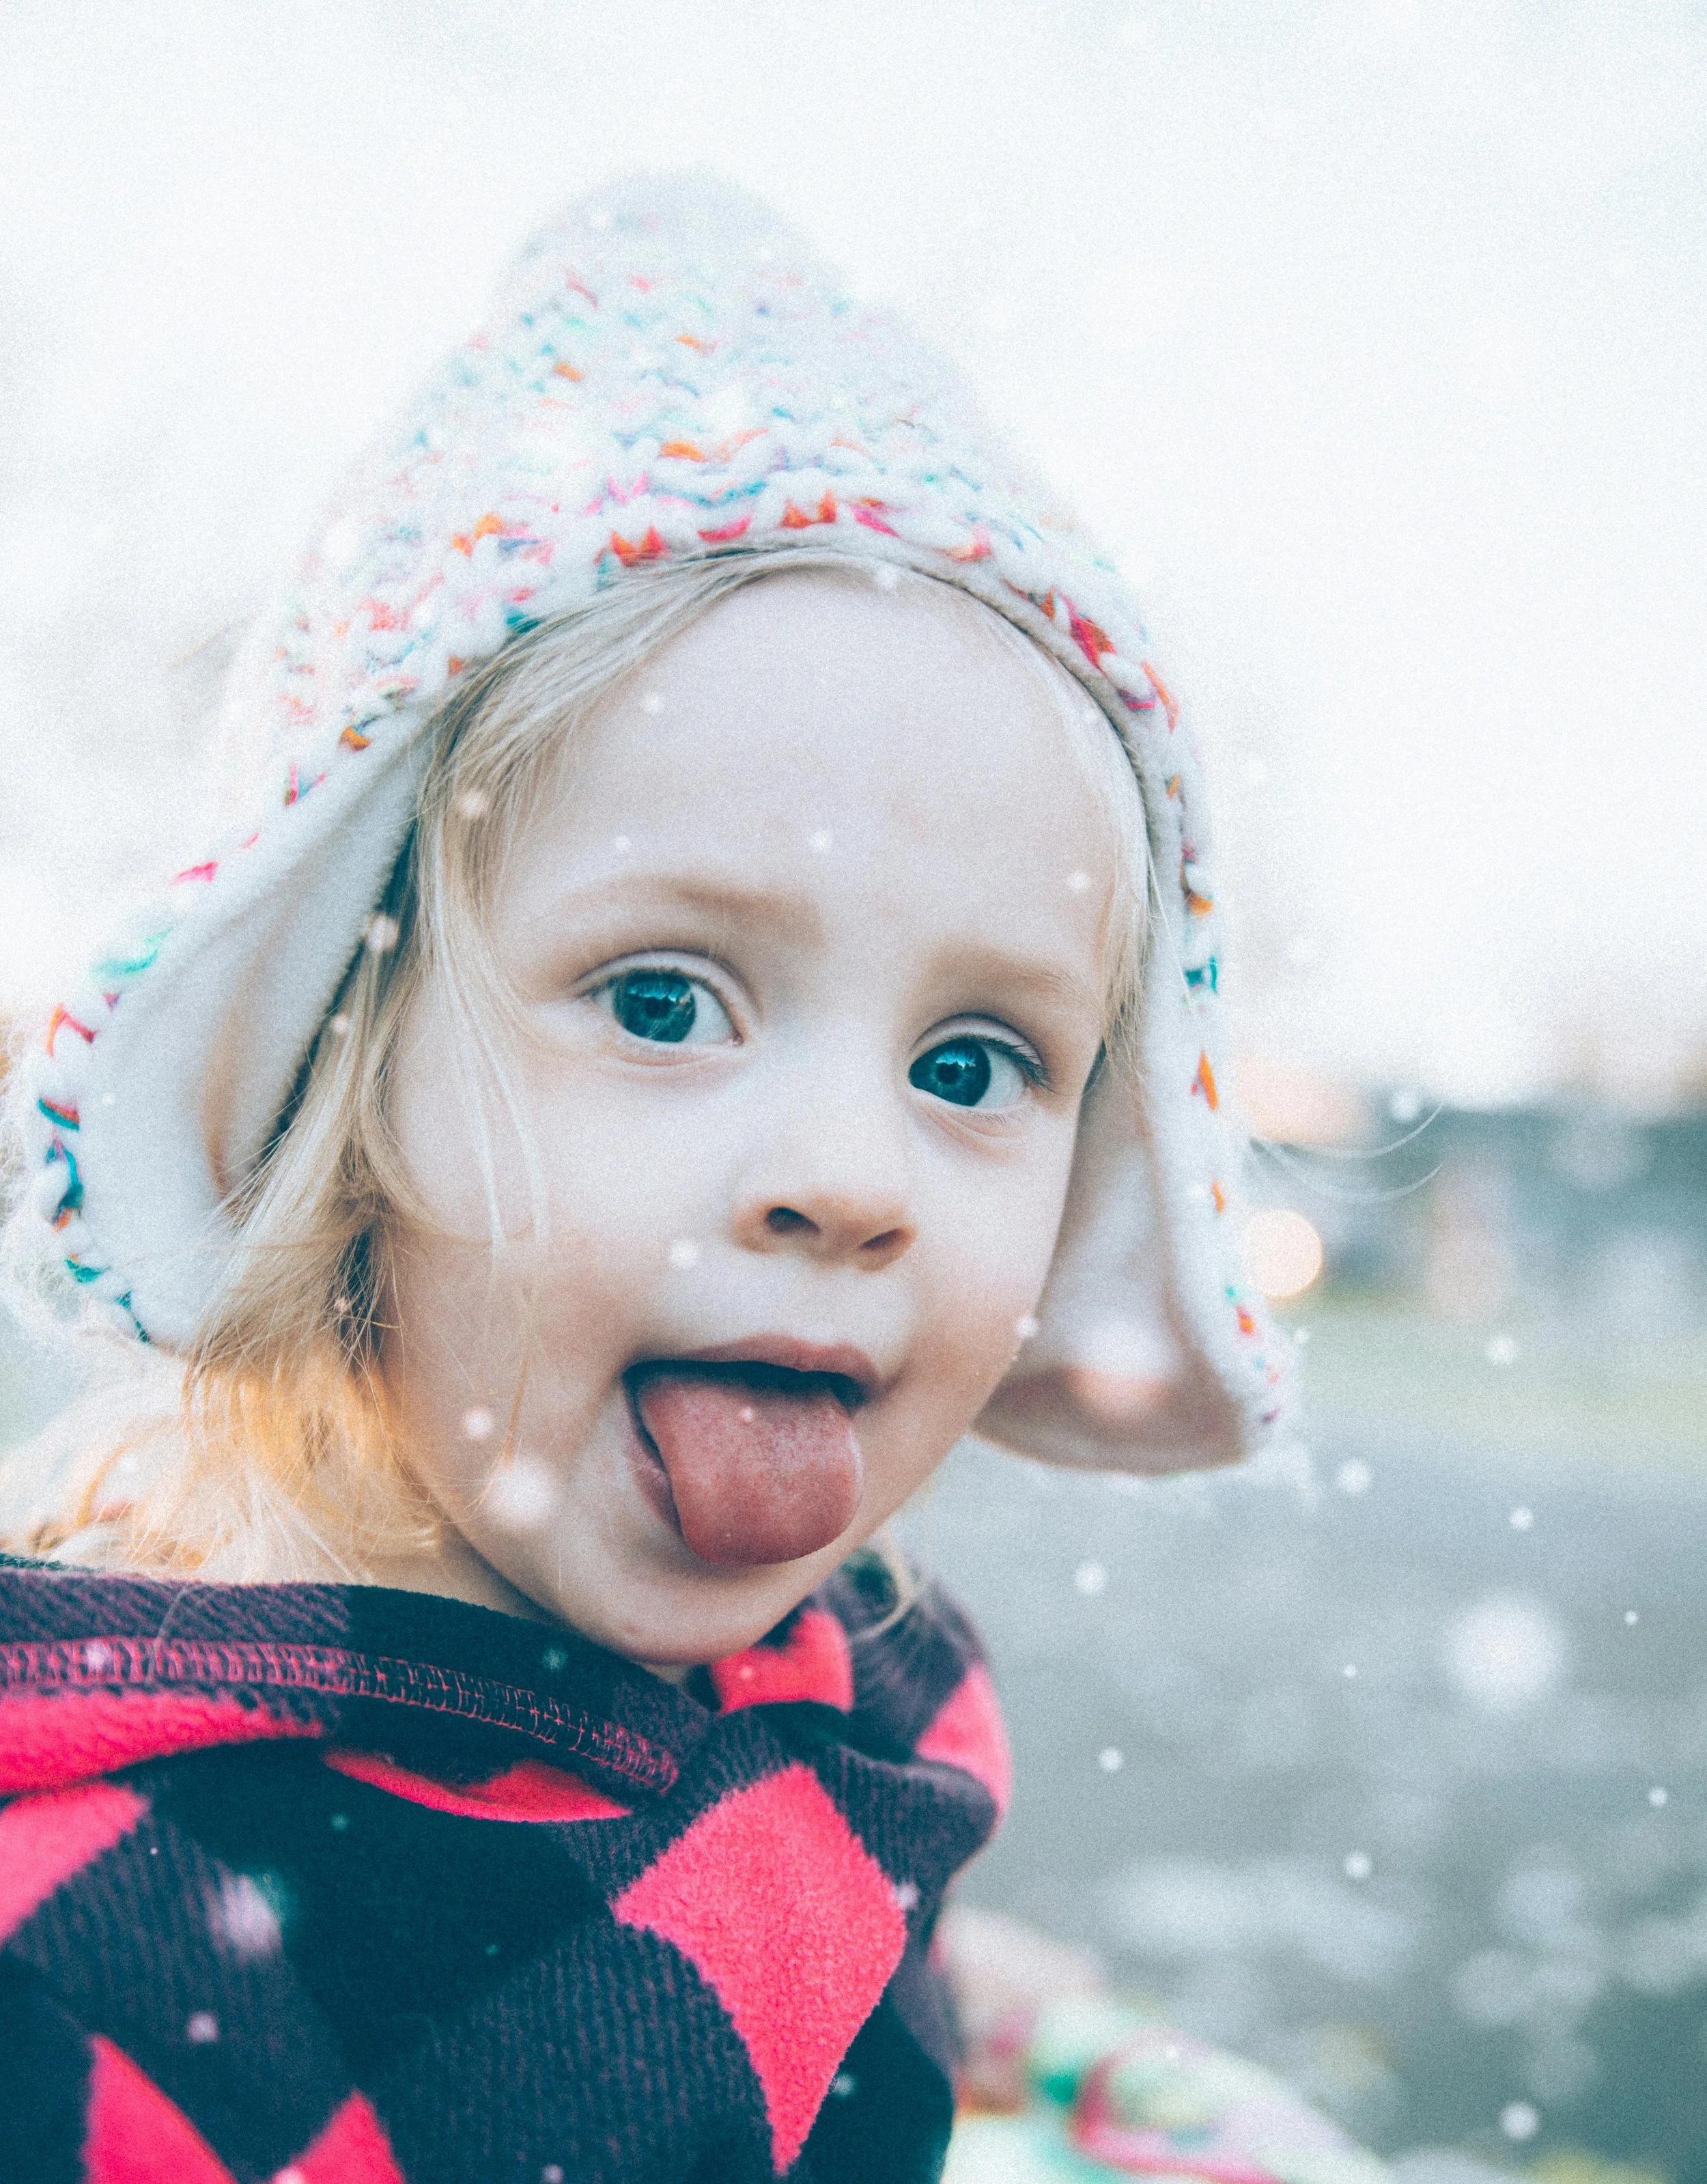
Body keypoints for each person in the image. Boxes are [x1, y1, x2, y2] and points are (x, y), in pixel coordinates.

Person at [0, 177, 1289, 2183]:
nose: (849, 1179)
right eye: (666, 1001)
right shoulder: (126, 1955)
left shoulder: (853, 1689)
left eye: (972, 1061)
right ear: (339, 1074)